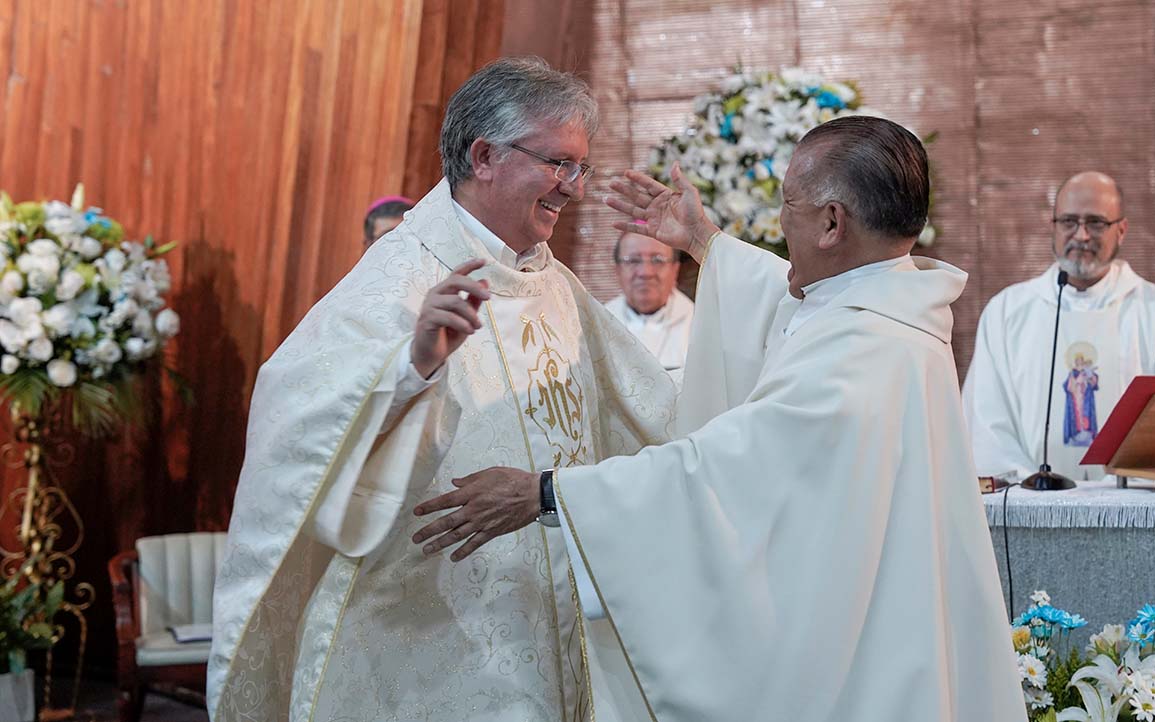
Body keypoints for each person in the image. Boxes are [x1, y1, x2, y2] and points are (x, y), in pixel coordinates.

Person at [413, 116, 1026, 721]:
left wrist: (546, 494)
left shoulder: (862, 351)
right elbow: (790, 313)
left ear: (833, 222)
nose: (783, 223)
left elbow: (719, 472)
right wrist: (704, 242)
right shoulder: (887, 307)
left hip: (857, 659)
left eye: (790, 204)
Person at [207, 57, 678, 722]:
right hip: (422, 637)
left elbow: (656, 415)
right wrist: (411, 366)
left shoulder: (554, 284)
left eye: (580, 167)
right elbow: (292, 419)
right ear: (484, 155)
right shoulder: (397, 277)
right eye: (557, 164)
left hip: (544, 617)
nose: (570, 187)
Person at [963, 171, 1155, 481]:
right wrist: (1029, 485)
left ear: (1122, 230)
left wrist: (1125, 486)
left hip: (1130, 503)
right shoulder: (1007, 311)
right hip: (1032, 504)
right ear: (1053, 227)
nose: (1081, 235)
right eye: (1068, 222)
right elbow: (985, 422)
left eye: (1095, 223)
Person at [603, 231, 693, 380]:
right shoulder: (599, 322)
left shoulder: (699, 322)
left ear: (675, 269)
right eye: (633, 261)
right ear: (617, 270)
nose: (645, 272)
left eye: (657, 260)